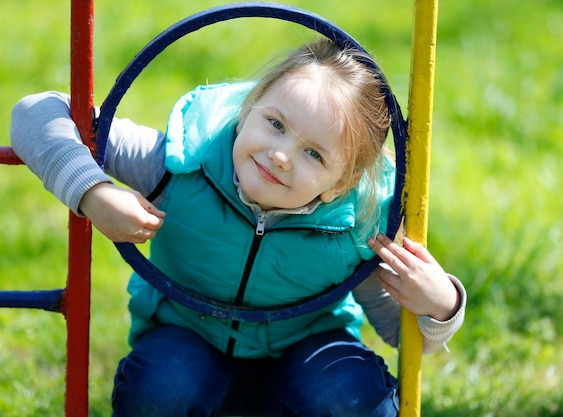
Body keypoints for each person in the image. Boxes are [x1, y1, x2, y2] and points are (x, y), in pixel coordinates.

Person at [11, 39, 466, 417]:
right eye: (275, 124)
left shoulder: (359, 224)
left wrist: (441, 306)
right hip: (188, 340)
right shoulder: (178, 163)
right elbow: (37, 111)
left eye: (314, 154)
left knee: (353, 396)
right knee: (161, 389)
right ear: (248, 109)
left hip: (304, 354)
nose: (281, 154)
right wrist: (92, 193)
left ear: (340, 184)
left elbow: (402, 334)